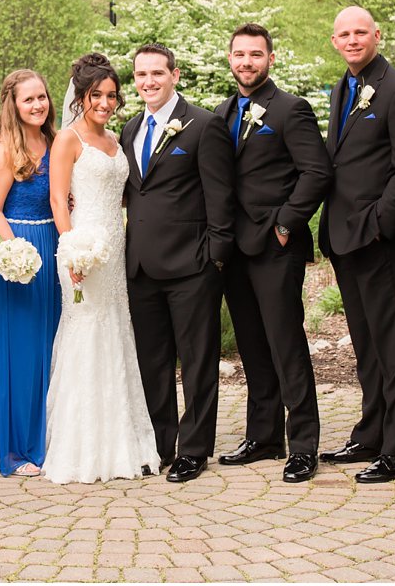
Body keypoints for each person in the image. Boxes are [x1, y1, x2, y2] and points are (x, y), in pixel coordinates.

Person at [212, 24, 330, 484]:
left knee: (286, 343)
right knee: (252, 346)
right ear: (230, 59)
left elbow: (316, 172)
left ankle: (303, 445)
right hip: (235, 249)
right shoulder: (221, 113)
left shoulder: (290, 110)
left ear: (270, 59)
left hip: (275, 247)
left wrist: (285, 224)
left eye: (255, 54)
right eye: (239, 54)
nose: (247, 62)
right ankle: (263, 437)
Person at [317, 7, 395, 485]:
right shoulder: (343, 86)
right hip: (345, 236)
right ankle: (373, 431)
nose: (353, 39)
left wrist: (381, 223)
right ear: (334, 41)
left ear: (377, 35)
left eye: (360, 32)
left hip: (379, 236)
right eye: (344, 34)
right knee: (366, 342)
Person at [118, 43, 236, 483]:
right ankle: (160, 443)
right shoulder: (130, 129)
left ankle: (194, 449)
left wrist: (216, 260)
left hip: (192, 266)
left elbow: (221, 198)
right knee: (154, 362)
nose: (148, 81)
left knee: (198, 360)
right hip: (142, 267)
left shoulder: (204, 126)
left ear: (175, 75)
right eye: (141, 75)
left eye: (156, 73)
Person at [43, 53, 160, 484]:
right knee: (87, 336)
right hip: (83, 251)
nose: (106, 103)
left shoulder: (117, 140)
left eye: (112, 95)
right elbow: (58, 200)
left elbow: (123, 194)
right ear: (81, 96)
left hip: (116, 252)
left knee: (115, 334)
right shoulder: (67, 140)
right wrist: (72, 250)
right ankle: (83, 448)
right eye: (97, 95)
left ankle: (121, 443)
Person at [0, 69, 61, 476]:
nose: (38, 105)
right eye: (29, 99)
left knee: (49, 349)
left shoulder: (55, 142)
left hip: (53, 246)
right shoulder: (5, 150)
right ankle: (13, 448)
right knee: (19, 353)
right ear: (13, 104)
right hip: (17, 253)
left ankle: (46, 439)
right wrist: (14, 250)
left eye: (42, 97)